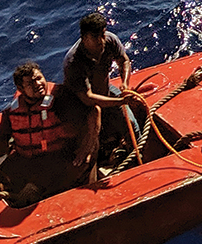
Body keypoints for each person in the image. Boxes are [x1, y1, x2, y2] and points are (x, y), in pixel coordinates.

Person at [0, 61, 98, 204]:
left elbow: (93, 111)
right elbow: (1, 138)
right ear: (21, 88)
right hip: (30, 159)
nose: (38, 84)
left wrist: (88, 147)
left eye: (39, 78)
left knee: (29, 195)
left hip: (61, 158)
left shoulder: (61, 99)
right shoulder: (12, 111)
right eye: (30, 83)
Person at [60, 10, 149, 170]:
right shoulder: (73, 62)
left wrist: (125, 83)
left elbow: (124, 61)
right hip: (82, 106)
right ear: (84, 38)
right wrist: (120, 101)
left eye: (103, 34)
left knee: (132, 126)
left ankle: (139, 160)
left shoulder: (110, 40)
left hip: (106, 93)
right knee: (91, 140)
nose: (101, 40)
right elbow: (88, 98)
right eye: (95, 37)